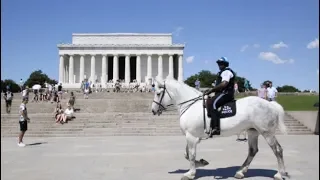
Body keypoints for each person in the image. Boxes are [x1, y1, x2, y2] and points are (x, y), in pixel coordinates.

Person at [204, 57, 235, 136]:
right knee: (209, 100)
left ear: (225, 64)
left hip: (226, 93)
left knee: (214, 104)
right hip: (221, 93)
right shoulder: (221, 72)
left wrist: (212, 90)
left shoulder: (226, 72)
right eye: (218, 64)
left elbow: (224, 83)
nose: (219, 65)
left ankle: (216, 128)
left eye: (221, 64)